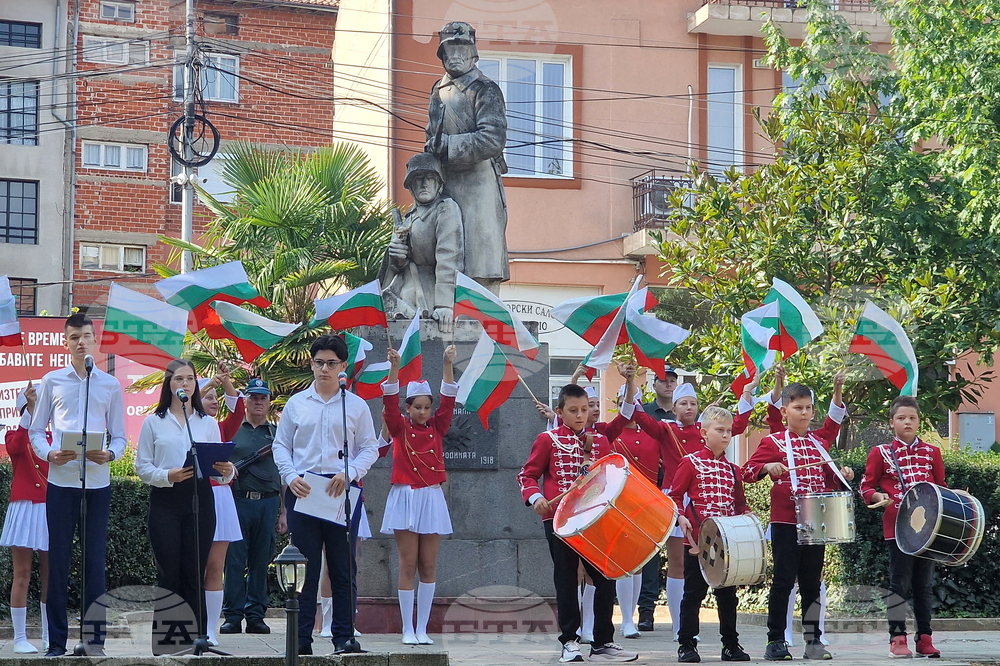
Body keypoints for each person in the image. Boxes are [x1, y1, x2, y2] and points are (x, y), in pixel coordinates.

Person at [619, 378, 757, 641]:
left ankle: (697, 633)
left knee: (695, 571)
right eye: (683, 403)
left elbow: (737, 425)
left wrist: (747, 394)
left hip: (711, 513)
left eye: (693, 403)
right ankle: (660, 625)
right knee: (660, 563)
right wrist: (630, 385)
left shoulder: (714, 438)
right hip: (675, 502)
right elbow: (640, 417)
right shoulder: (666, 429)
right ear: (674, 408)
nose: (689, 408)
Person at [271, 333, 380, 654]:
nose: (324, 370)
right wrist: (290, 476)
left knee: (343, 567)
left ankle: (344, 637)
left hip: (340, 491)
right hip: (304, 490)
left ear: (343, 366)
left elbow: (369, 448)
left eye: (332, 363)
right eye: (319, 363)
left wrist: (350, 473)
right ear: (311, 364)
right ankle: (300, 640)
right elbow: (281, 445)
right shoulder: (297, 404)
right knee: (303, 569)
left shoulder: (355, 405)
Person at [518, 383, 638, 663]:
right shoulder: (547, 440)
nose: (580, 415)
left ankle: (603, 642)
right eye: (573, 410)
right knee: (566, 579)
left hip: (595, 519)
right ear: (559, 412)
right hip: (560, 520)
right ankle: (569, 641)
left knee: (605, 577)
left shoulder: (601, 442)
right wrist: (536, 498)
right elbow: (526, 475)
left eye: (584, 409)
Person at [29, 313, 127, 657]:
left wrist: (110, 454)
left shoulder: (110, 385)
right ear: (65, 343)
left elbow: (120, 436)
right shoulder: (52, 381)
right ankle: (56, 643)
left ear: (95, 340)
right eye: (74, 337)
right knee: (57, 563)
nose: (81, 342)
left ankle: (94, 642)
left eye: (86, 336)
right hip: (61, 482)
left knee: (94, 564)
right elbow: (36, 431)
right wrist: (50, 453)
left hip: (97, 483)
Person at [742, 371, 853, 660]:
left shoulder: (819, 443)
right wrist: (767, 468)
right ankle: (775, 640)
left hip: (816, 519)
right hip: (786, 521)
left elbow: (830, 477)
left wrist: (843, 474)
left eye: (808, 408)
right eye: (798, 407)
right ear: (784, 411)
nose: (804, 413)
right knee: (783, 581)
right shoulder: (774, 442)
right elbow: (747, 471)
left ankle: (813, 641)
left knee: (811, 583)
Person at [135, 359, 234, 653]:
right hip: (166, 499)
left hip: (200, 499)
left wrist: (227, 471)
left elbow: (220, 469)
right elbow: (142, 467)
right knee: (169, 571)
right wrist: (168, 475)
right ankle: (167, 642)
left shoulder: (207, 423)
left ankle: (195, 640)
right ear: (169, 384)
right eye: (179, 379)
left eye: (190, 379)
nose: (185, 384)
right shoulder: (153, 422)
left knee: (194, 570)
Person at [380, 344, 458, 645]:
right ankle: (407, 629)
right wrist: (394, 368)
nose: (423, 412)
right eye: (417, 407)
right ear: (408, 408)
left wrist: (447, 364)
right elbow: (389, 402)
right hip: (406, 497)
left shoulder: (438, 427)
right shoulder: (398, 427)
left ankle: (422, 627)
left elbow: (449, 401)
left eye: (427, 407)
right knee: (408, 563)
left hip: (431, 497)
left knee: (428, 564)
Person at [424, 21, 509, 292]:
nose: (456, 55)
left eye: (463, 48)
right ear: (442, 55)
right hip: (445, 186)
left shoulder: (485, 89)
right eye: (450, 49)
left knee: (480, 262)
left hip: (478, 187)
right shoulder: (438, 90)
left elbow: (492, 139)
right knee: (443, 262)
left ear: (474, 53)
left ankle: (480, 312)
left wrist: (448, 145)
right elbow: (431, 137)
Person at [859, 396, 944, 658]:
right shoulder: (880, 453)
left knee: (924, 585)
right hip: (897, 528)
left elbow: (941, 488)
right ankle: (897, 639)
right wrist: (877, 497)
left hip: (928, 529)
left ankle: (925, 638)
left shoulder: (932, 452)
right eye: (901, 418)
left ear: (919, 421)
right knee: (899, 583)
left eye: (912, 418)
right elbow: (866, 486)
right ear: (891, 422)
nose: (907, 422)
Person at [671, 406, 752, 663]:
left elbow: (740, 504)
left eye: (728, 430)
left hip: (726, 543)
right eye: (720, 430)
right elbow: (674, 496)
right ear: (704, 433)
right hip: (697, 541)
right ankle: (686, 644)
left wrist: (749, 518)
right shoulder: (690, 462)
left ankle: (730, 645)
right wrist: (680, 516)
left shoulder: (733, 470)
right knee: (693, 594)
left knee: (727, 596)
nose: (726, 435)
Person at [221, 378, 280, 638]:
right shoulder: (234, 429)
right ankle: (232, 616)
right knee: (234, 561)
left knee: (260, 561)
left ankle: (256, 616)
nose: (258, 402)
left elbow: (283, 472)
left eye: (262, 397)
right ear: (245, 401)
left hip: (267, 502)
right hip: (238, 501)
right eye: (253, 397)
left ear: (268, 402)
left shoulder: (276, 434)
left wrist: (284, 512)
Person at [380, 152, 464, 331]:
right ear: (411, 187)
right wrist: (396, 258)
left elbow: (449, 258)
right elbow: (396, 266)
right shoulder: (408, 218)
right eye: (418, 178)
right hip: (406, 288)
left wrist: (445, 304)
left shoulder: (445, 209)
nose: (424, 183)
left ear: (439, 184)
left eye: (430, 178)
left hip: (431, 293)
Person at [198, 372, 245, 645]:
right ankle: (192, 626)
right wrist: (206, 385)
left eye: (216, 398)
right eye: (208, 397)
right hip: (193, 497)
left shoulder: (220, 429)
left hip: (220, 499)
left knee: (216, 566)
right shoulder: (183, 428)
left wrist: (225, 380)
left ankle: (210, 631)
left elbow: (238, 411)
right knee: (194, 567)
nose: (214, 401)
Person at [2, 385, 49, 653]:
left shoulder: (54, 437)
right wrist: (29, 413)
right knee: (22, 573)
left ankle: (49, 635)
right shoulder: (15, 434)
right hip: (24, 507)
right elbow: (17, 446)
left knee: (51, 575)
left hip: (49, 508)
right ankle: (20, 637)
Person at [636, 366, 678, 632]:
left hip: (678, 488)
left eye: (672, 381)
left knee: (680, 551)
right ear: (654, 385)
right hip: (649, 487)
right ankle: (646, 610)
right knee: (650, 550)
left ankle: (682, 612)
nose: (668, 385)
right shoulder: (646, 413)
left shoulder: (683, 413)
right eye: (664, 380)